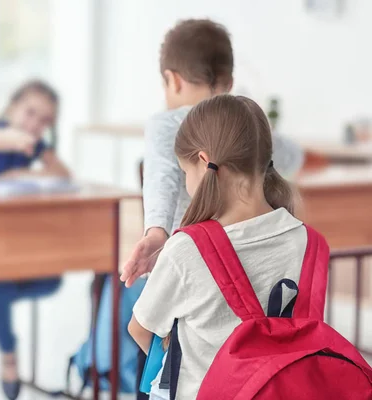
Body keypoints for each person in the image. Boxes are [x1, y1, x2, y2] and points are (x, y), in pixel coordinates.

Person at [129, 94, 306, 399]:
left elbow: (141, 328)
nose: (187, 183)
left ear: (202, 160)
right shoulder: (304, 240)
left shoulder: (185, 248)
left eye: (185, 173)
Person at [121, 19, 303, 290]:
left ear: (173, 80)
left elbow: (161, 175)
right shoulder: (248, 122)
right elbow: (292, 156)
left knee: (121, 304)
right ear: (229, 83)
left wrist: (157, 231)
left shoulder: (166, 123)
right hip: (246, 269)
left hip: (183, 267)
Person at [0, 80, 70, 400]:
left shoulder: (32, 141)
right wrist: (27, 142)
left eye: (44, 121)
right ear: (11, 107)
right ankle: (8, 354)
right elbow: (6, 138)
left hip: (14, 235)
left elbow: (62, 176)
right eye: (29, 113)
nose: (35, 124)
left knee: (52, 280)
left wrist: (32, 162)